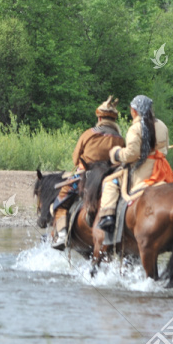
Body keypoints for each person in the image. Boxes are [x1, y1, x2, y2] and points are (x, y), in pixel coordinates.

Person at [50, 96, 126, 250]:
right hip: (110, 178)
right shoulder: (120, 139)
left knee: (61, 200)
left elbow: (75, 158)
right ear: (114, 120)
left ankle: (62, 235)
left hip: (86, 175)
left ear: (99, 117)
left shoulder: (89, 133)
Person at [97, 95, 171, 233]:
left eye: (132, 109)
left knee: (110, 182)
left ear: (135, 111)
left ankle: (107, 216)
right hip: (162, 170)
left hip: (142, 172)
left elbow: (131, 155)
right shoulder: (162, 125)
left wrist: (117, 153)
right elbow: (165, 148)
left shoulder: (136, 128)